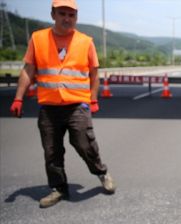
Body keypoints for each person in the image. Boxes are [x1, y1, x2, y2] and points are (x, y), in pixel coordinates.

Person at [9, 0, 116, 208]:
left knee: (84, 143)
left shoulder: (86, 41)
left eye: (71, 15)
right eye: (62, 14)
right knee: (51, 151)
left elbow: (94, 74)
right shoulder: (38, 39)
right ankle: (58, 188)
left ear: (76, 17)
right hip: (49, 107)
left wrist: (93, 99)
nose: (67, 18)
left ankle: (101, 172)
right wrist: (18, 97)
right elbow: (28, 69)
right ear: (53, 14)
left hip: (77, 105)